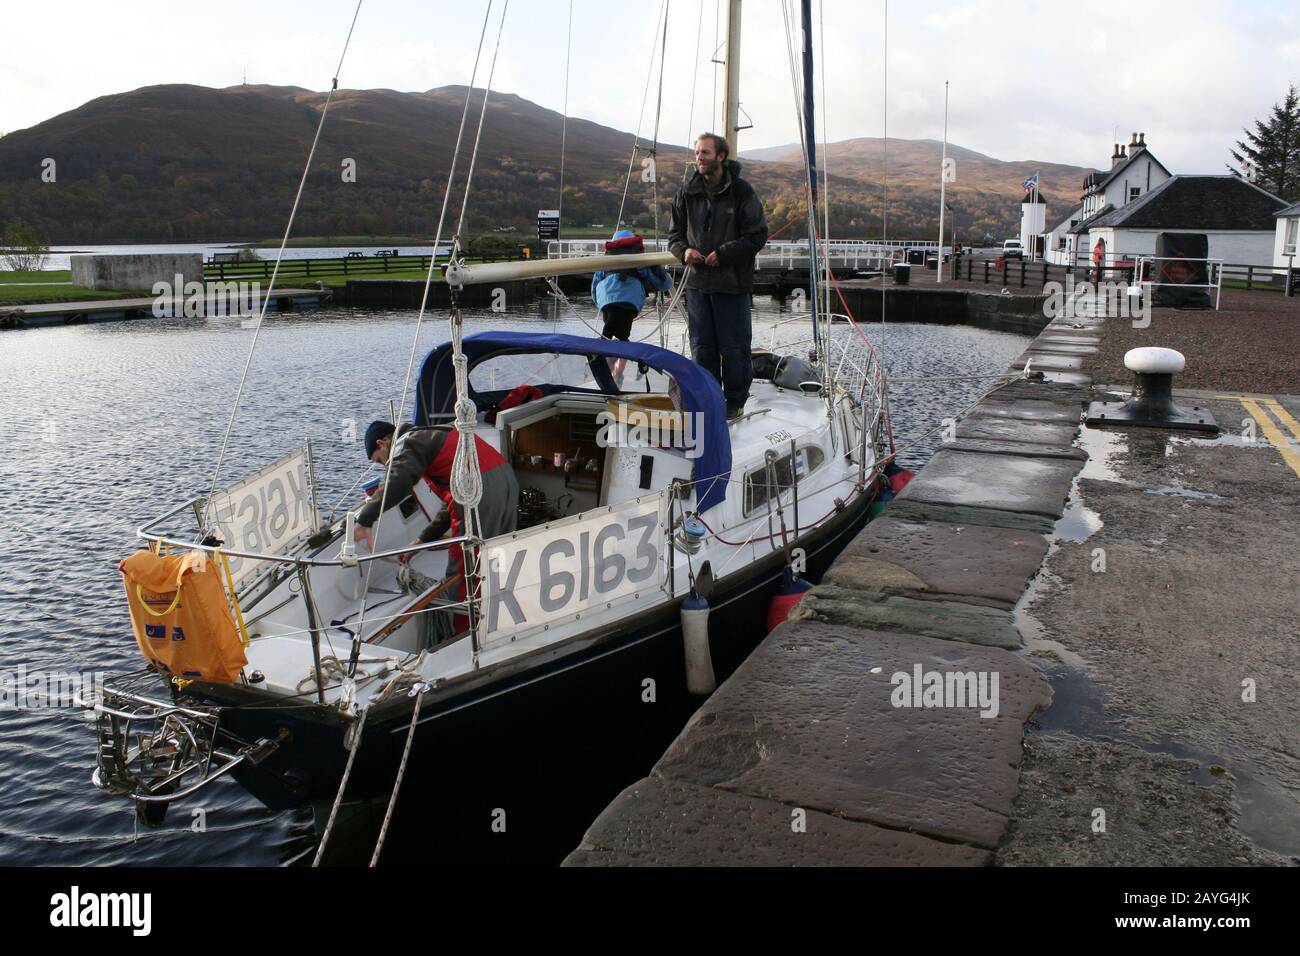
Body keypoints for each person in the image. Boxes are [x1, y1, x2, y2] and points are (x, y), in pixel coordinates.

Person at [354, 421, 519, 627]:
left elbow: (398, 481)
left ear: (383, 442)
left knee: (462, 573)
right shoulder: (433, 434)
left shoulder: (408, 442)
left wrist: (364, 519)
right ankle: (502, 619)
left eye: (380, 460)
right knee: (496, 559)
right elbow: (453, 503)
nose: (385, 465)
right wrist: (422, 540)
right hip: (506, 482)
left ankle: (466, 635)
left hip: (480, 495)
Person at [668, 132, 769, 421]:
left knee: (735, 349)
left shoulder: (742, 192)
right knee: (702, 348)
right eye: (697, 153)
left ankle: (735, 404)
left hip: (732, 285)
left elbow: (757, 235)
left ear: (720, 156)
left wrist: (724, 254)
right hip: (698, 286)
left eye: (705, 153)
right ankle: (709, 401)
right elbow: (674, 236)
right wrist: (684, 251)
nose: (699, 158)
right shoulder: (685, 193)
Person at [590, 229, 672, 383]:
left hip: (606, 301)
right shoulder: (640, 262)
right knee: (623, 337)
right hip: (630, 303)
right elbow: (664, 284)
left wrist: (599, 304)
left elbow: (594, 286)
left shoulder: (605, 261)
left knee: (607, 336)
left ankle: (605, 371)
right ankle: (618, 371)